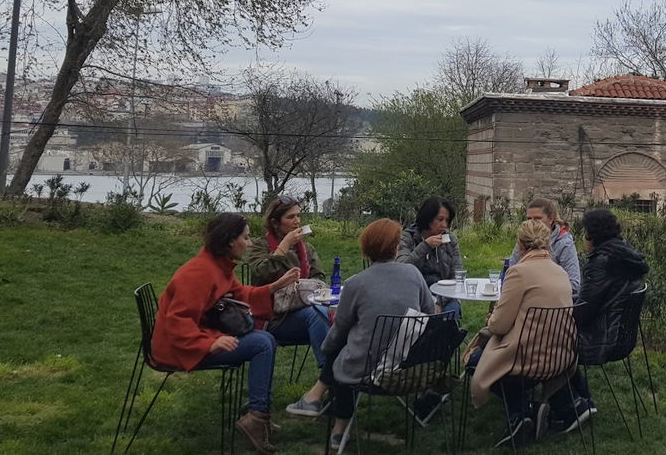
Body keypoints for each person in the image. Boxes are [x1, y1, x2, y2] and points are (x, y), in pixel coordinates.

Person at [152, 212, 301, 454]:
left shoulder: (219, 266)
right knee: (263, 342)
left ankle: (257, 416)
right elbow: (177, 320)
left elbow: (241, 295)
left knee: (265, 340)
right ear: (231, 241)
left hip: (200, 337)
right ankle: (256, 417)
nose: (250, 243)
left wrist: (274, 286)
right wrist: (208, 343)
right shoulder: (199, 273)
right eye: (246, 237)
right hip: (179, 347)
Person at [320, 218, 446, 452]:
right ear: (396, 247)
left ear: (365, 250)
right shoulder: (413, 274)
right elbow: (430, 314)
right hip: (407, 368)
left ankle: (338, 428)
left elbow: (339, 329)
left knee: (340, 355)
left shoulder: (355, 283)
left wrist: (325, 350)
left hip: (365, 372)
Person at [468, 219, 575, 446]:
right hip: (560, 358)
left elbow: (499, 326)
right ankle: (527, 412)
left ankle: (521, 413)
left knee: (474, 360)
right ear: (547, 243)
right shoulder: (561, 273)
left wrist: (493, 318)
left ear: (520, 245)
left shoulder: (519, 272)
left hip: (527, 360)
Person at [541, 208, 648, 434]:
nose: (582, 238)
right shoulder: (624, 254)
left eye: (585, 233)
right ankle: (583, 400)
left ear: (592, 235)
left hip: (601, 337)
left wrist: (559, 310)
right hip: (620, 333)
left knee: (545, 343)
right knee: (553, 336)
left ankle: (569, 407)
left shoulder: (602, 261)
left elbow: (584, 311)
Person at [246, 194, 331, 416]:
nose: (297, 221)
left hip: (304, 314)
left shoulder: (307, 249)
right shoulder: (259, 246)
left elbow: (321, 280)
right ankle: (331, 378)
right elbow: (260, 273)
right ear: (275, 222)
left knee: (328, 314)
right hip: (272, 318)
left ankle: (330, 379)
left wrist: (306, 285)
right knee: (318, 314)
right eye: (290, 217)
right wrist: (283, 247)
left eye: (299, 216)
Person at [397, 197, 464, 316]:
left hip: (444, 295)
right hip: (415, 296)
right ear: (428, 218)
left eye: (447, 220)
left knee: (451, 312)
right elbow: (401, 270)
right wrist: (425, 246)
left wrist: (439, 302)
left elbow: (457, 276)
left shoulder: (450, 239)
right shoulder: (408, 238)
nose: (444, 225)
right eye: (440, 219)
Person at [508, 198, 582, 296]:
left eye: (538, 219)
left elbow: (574, 284)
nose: (532, 223)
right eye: (529, 219)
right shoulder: (524, 239)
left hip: (553, 303)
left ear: (551, 219)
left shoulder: (564, 244)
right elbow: (511, 271)